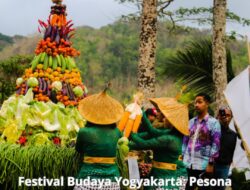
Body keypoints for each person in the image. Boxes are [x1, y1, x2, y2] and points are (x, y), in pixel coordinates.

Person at [129, 98, 189, 190]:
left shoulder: (168, 139)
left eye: (166, 117)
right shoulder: (171, 133)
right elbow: (153, 131)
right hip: (161, 173)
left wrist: (131, 133)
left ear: (171, 121)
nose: (164, 119)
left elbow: (143, 144)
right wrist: (141, 112)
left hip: (163, 176)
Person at [74, 89, 124, 190]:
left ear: (90, 115)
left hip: (88, 178)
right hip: (112, 180)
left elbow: (78, 150)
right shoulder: (117, 132)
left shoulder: (84, 132)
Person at [182, 93, 221, 190]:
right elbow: (185, 140)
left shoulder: (214, 123)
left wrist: (210, 164)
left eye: (200, 102)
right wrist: (183, 155)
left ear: (207, 103)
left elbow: (215, 145)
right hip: (188, 163)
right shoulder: (191, 122)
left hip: (203, 165)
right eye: (195, 102)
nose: (196, 105)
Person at [214, 106, 237, 190]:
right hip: (211, 165)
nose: (226, 117)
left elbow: (232, 151)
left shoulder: (233, 134)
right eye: (223, 114)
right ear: (218, 116)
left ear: (231, 117)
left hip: (224, 167)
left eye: (228, 115)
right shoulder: (213, 130)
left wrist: (228, 165)